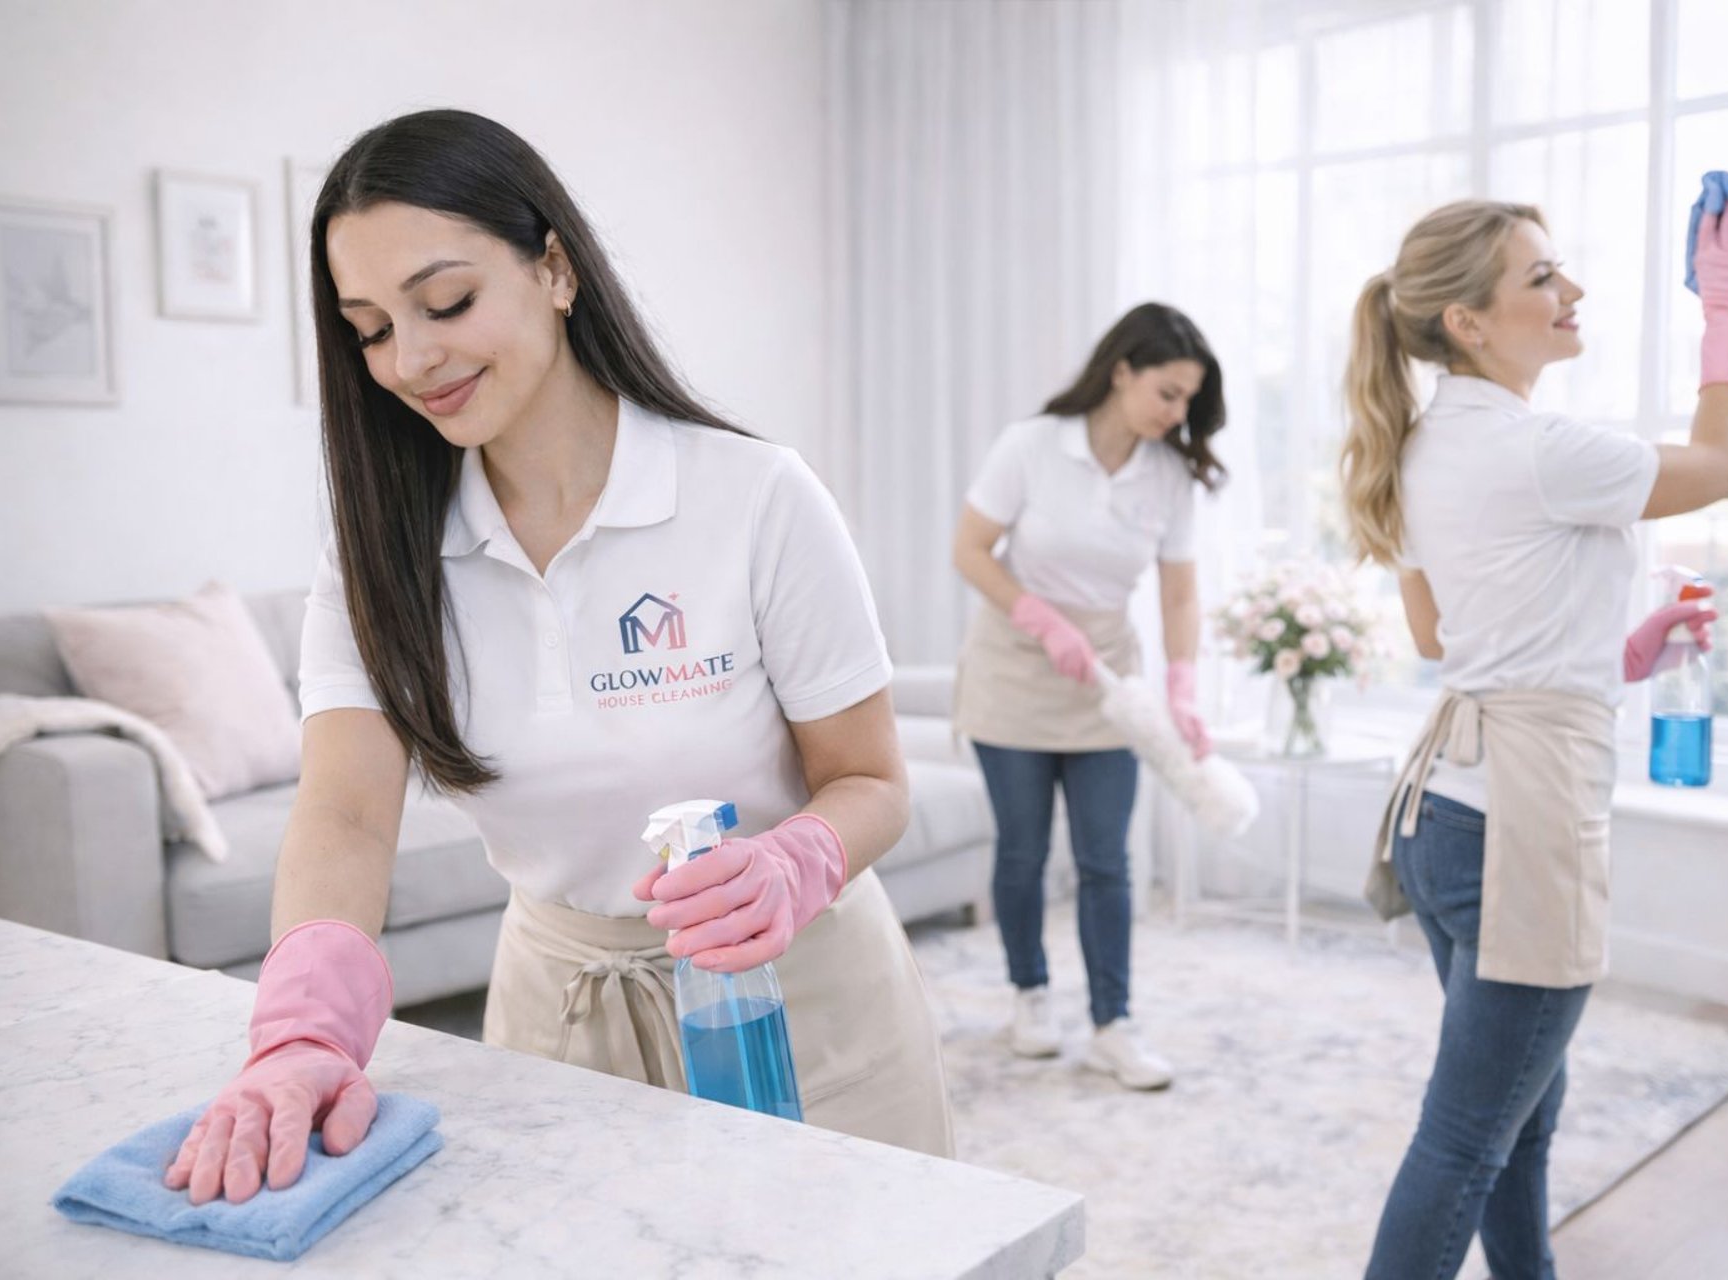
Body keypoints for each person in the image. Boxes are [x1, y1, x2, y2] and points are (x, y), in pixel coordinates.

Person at [163, 109, 952, 1206]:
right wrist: (301, 1027)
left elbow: (870, 779)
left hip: (794, 1004)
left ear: (556, 268)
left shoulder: (754, 497)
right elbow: (344, 812)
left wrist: (797, 858)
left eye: (445, 302)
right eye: (370, 327)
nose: (411, 356)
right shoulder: (382, 550)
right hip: (559, 1015)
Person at [1342, 199, 1728, 1278]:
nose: (1571, 293)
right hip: (1521, 819)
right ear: (1469, 322)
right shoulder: (1535, 448)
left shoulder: (1423, 443)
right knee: (1468, 1133)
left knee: (1518, 1110)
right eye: (1543, 276)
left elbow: (1448, 633)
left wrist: (1619, 656)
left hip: (1445, 809)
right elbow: (1720, 465)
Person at [949, 302, 1227, 1091]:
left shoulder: (1169, 475)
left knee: (1108, 858)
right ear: (1122, 372)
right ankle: (1030, 996)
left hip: (1107, 679)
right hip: (1015, 664)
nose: (1177, 414)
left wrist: (1181, 683)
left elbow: (1179, 594)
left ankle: (1114, 1023)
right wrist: (1037, 615)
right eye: (1167, 394)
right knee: (1025, 850)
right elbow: (969, 550)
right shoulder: (1032, 446)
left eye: (1187, 401)